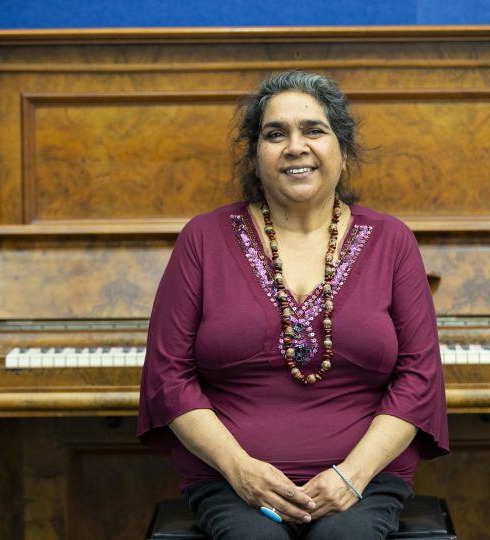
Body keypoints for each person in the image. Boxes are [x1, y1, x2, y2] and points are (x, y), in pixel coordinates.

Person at [137, 70, 449, 540]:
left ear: (342, 152)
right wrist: (240, 469)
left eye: (314, 130)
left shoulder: (393, 241)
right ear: (256, 154)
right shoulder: (202, 238)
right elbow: (169, 375)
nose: (294, 146)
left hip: (364, 480)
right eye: (274, 134)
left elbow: (419, 376)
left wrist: (353, 475)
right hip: (230, 479)